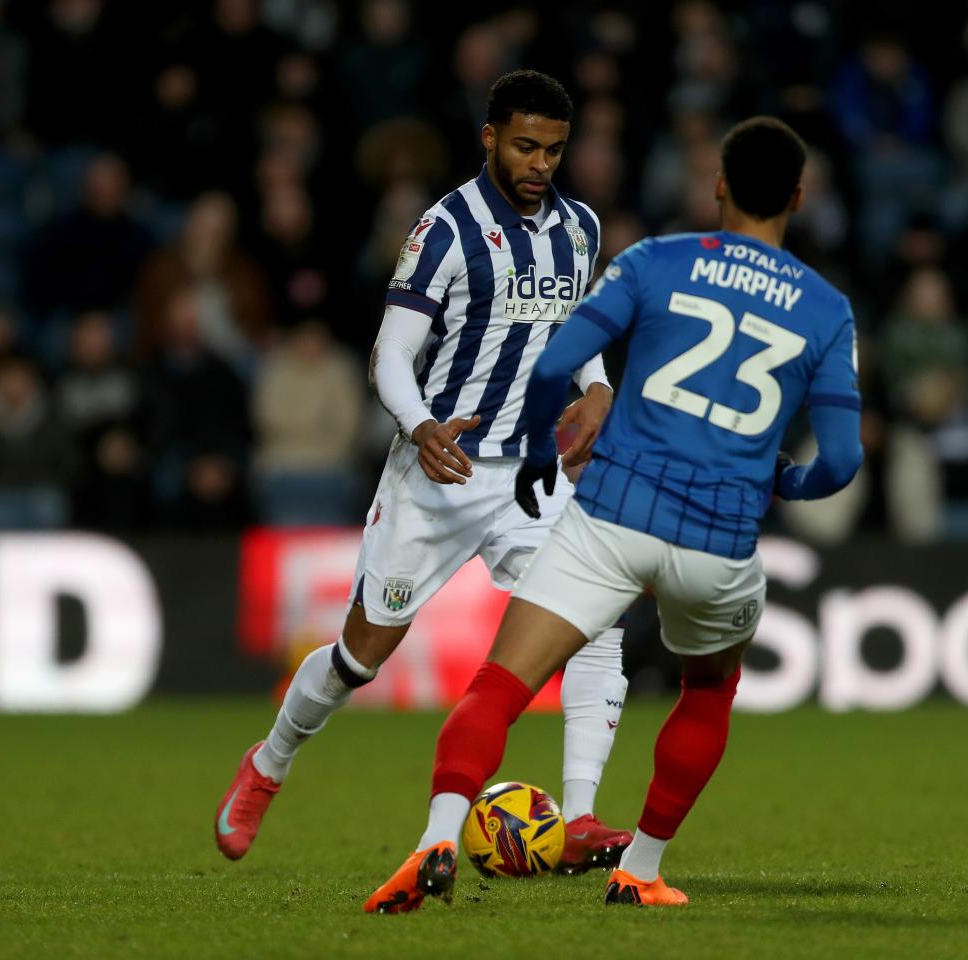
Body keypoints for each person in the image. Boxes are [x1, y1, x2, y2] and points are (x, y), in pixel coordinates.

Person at [365, 115, 863, 913]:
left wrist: (535, 450)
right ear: (800, 197)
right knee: (707, 691)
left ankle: (433, 843)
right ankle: (642, 869)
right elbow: (841, 462)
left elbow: (557, 361)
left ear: (720, 186)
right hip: (719, 539)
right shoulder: (827, 310)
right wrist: (783, 482)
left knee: (499, 685)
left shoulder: (654, 261)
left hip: (614, 515)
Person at [214, 70, 634, 873]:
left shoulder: (579, 227)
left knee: (596, 624)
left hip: (531, 478)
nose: (539, 163)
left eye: (552, 149)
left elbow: (575, 331)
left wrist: (599, 387)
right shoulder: (444, 229)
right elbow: (392, 353)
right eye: (523, 146)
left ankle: (579, 815)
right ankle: (267, 765)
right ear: (489, 139)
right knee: (359, 657)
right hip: (438, 472)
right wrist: (421, 425)